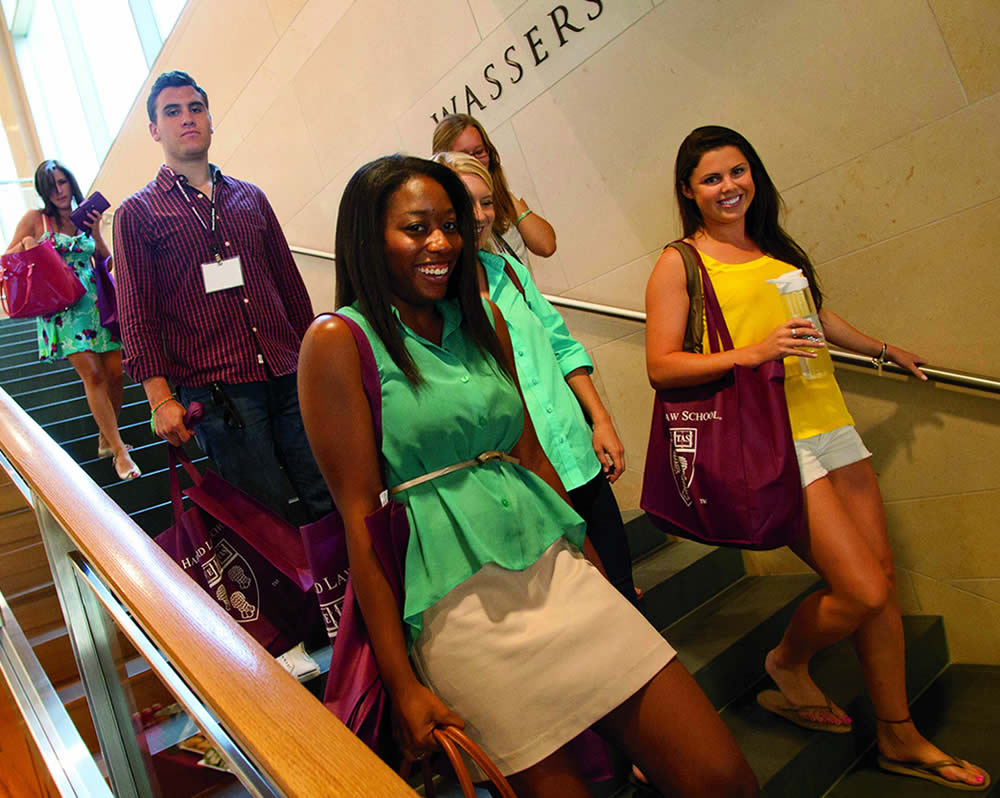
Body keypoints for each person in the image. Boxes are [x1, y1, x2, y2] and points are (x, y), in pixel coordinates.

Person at [298, 154, 758, 798]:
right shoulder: (336, 342)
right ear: (367, 239)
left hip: (556, 567)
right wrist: (404, 685)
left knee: (721, 776)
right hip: (459, 612)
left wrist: (599, 580)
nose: (442, 243)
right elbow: (359, 519)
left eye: (452, 226)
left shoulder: (484, 320)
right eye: (417, 227)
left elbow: (534, 462)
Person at [644, 125, 989, 791]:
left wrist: (884, 349)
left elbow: (817, 318)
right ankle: (785, 661)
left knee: (881, 584)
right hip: (773, 441)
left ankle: (899, 735)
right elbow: (663, 365)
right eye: (712, 178)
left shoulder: (771, 246)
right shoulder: (679, 260)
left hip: (830, 422)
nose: (729, 187)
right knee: (862, 588)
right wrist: (751, 353)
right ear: (689, 190)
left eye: (738, 171)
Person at [113, 70, 333, 523]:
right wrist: (159, 398)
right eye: (172, 112)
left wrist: (317, 361)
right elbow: (137, 315)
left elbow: (290, 289)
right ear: (155, 130)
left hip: (289, 374)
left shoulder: (250, 197)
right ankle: (293, 597)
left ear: (211, 120)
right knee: (266, 518)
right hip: (219, 394)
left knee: (327, 497)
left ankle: (352, 593)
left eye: (196, 108)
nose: (187, 118)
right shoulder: (137, 214)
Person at [432, 150, 637, 603]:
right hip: (523, 478)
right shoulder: (436, 301)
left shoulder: (508, 270)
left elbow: (561, 344)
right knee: (579, 604)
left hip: (576, 454)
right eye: (467, 204)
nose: (481, 216)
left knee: (622, 586)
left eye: (487, 203)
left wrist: (600, 420)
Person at [4, 160, 139, 481]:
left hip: (95, 303)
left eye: (62, 182)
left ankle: (107, 437)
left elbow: (105, 262)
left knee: (114, 373)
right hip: (61, 308)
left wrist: (94, 232)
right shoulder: (36, 220)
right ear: (43, 191)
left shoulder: (84, 216)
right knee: (92, 375)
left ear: (71, 182)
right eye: (51, 186)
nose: (59, 190)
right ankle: (121, 452)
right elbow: (7, 259)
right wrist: (28, 247)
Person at [432, 114, 556, 268]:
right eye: (463, 156)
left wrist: (500, 193)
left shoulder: (506, 195)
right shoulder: (445, 216)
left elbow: (546, 246)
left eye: (479, 152)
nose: (474, 162)